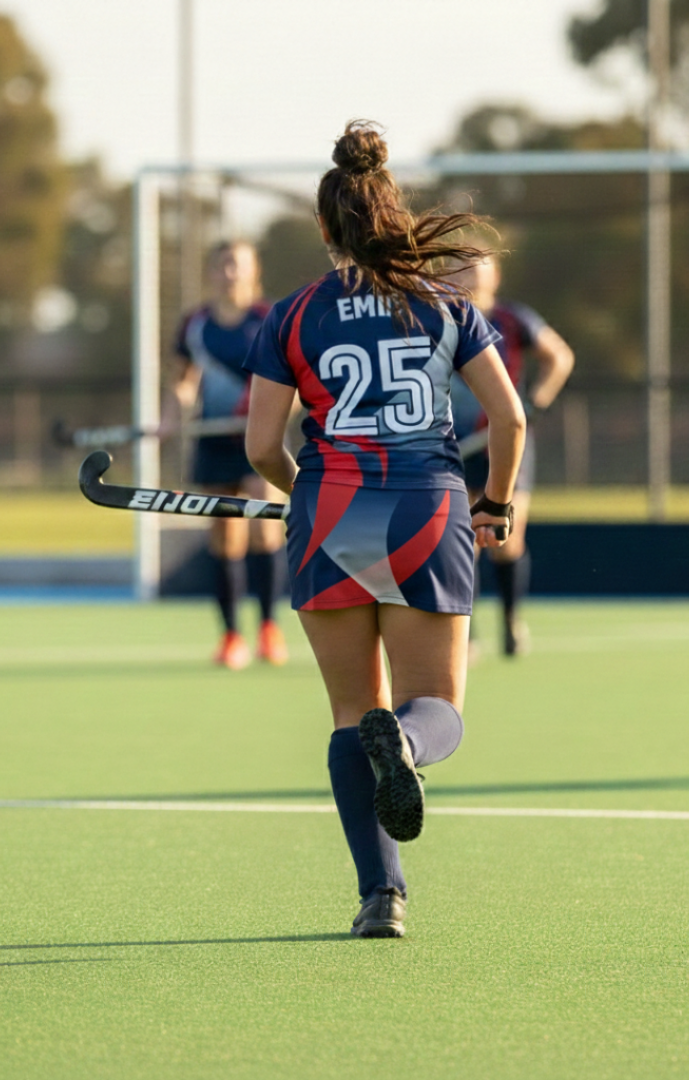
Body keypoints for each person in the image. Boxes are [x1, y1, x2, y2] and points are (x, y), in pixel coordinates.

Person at [242, 122, 526, 938]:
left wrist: (303, 494)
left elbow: (263, 445)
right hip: (428, 511)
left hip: (332, 515)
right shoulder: (448, 306)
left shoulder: (292, 315)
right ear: (394, 216)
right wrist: (495, 505)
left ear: (326, 228)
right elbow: (507, 419)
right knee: (433, 707)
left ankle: (381, 898)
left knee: (346, 714)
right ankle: (405, 742)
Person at [449, 256, 574, 656]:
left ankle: (510, 621)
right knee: (460, 539)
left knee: (506, 537)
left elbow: (560, 357)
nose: (470, 275)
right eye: (462, 268)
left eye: (478, 267)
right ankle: (463, 632)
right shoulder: (441, 319)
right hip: (458, 444)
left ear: (494, 275)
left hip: (505, 443)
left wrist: (535, 404)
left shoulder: (513, 319)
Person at [173, 240, 288, 669]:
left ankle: (268, 629)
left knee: (263, 528)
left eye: (238, 266)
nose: (230, 274)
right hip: (214, 441)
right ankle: (230, 635)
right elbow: (182, 382)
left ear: (254, 273)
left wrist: (272, 415)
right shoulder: (196, 324)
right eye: (223, 265)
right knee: (224, 536)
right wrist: (173, 415)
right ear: (211, 272)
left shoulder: (270, 320)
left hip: (261, 441)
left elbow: (293, 383)